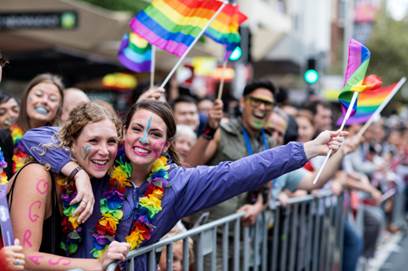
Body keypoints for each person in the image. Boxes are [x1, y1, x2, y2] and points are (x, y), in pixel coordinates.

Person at [21, 100, 345, 270]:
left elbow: (243, 171)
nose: (144, 140)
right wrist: (76, 172)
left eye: (156, 134)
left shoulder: (179, 184)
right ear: (124, 132)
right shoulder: (99, 161)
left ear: (167, 143)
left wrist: (305, 149)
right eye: (137, 129)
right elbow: (36, 137)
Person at [9, 102, 129, 270]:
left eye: (111, 142)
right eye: (94, 141)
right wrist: (97, 264)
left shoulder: (96, 175)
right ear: (71, 144)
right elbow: (23, 257)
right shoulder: (37, 176)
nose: (104, 151)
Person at [0, 73, 64, 181]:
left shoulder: (62, 143)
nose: (44, 101)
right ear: (26, 99)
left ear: (58, 109)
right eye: (39, 95)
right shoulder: (4, 137)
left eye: (52, 99)